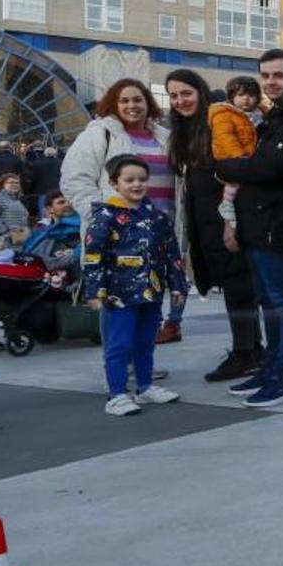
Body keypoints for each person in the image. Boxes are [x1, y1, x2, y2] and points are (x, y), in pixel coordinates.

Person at [215, 49, 283, 407]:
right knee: (269, 302)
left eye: (278, 75)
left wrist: (227, 167)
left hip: (279, 224)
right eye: (265, 76)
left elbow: (270, 167)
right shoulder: (276, 116)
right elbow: (262, 165)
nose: (270, 82)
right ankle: (272, 367)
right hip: (262, 225)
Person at [60, 78, 186, 344]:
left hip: (158, 234)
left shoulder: (164, 137)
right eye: (124, 100)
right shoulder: (99, 134)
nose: (132, 105)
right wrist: (102, 218)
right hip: (119, 238)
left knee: (150, 301)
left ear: (148, 102)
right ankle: (121, 368)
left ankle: (141, 368)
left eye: (138, 99)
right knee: (119, 306)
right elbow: (74, 180)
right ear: (113, 105)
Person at [166, 68, 265, 382]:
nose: (180, 100)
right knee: (235, 286)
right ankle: (253, 348)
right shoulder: (186, 128)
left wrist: (230, 223)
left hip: (225, 216)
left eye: (186, 93)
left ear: (200, 91)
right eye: (173, 95)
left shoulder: (216, 120)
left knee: (238, 286)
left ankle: (245, 353)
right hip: (205, 218)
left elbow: (235, 171)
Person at [82, 155, 185, 416]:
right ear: (114, 183)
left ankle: (145, 386)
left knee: (145, 342)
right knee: (119, 345)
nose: (137, 184)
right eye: (129, 180)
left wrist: (178, 285)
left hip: (151, 293)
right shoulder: (105, 216)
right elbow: (93, 256)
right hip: (118, 295)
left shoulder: (158, 217)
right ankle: (117, 394)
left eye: (142, 179)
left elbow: (171, 253)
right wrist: (94, 291)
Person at [210, 76, 263, 251]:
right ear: (232, 97)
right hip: (233, 160)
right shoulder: (224, 114)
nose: (246, 99)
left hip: (251, 162)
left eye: (251, 95)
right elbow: (226, 138)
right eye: (241, 95)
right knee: (232, 188)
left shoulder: (259, 114)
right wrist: (240, 160)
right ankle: (228, 211)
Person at [0, 173, 30, 251]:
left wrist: (24, 232)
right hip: (2, 241)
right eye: (11, 182)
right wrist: (9, 233)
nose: (14, 184)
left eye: (17, 183)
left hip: (17, 241)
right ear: (2, 184)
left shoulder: (18, 201)